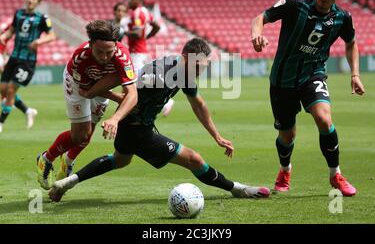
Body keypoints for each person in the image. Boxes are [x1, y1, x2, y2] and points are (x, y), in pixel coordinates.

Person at [48, 38, 270, 202]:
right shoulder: (157, 75)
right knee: (194, 159)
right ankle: (239, 189)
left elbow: (198, 104)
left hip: (136, 125)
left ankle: (66, 183)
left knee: (120, 160)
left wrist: (217, 136)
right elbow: (125, 89)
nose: (203, 69)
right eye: (200, 65)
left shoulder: (184, 71)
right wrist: (105, 104)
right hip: (137, 128)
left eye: (204, 65)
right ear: (186, 58)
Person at [250, 0, 365, 196]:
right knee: (287, 135)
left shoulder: (342, 18)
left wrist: (355, 74)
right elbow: (260, 17)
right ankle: (285, 169)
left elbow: (351, 42)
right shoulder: (295, 4)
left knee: (324, 119)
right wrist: (256, 35)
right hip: (282, 80)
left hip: (313, 75)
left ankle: (336, 174)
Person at [37, 20, 138, 190]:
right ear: (91, 45)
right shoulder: (80, 57)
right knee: (80, 135)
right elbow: (87, 92)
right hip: (78, 86)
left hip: (100, 84)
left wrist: (115, 118)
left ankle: (68, 161)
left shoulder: (122, 55)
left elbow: (132, 93)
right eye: (100, 52)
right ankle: (46, 158)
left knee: (87, 133)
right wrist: (116, 97)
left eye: (109, 52)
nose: (105, 57)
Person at [0, 0, 56, 133]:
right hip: (14, 57)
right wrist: (3, 37)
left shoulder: (42, 18)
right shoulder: (18, 14)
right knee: (3, 90)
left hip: (27, 61)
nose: (30, 0)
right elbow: (11, 31)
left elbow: (52, 35)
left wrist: (39, 41)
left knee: (11, 90)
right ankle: (28, 111)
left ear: (38, 1)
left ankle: (0, 123)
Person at [122, 0, 174, 116]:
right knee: (140, 79)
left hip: (137, 52)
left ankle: (166, 102)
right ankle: (163, 101)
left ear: (138, 1)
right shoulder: (145, 11)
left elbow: (138, 33)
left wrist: (123, 32)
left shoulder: (137, 13)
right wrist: (146, 37)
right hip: (140, 50)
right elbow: (156, 26)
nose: (128, 1)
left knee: (134, 80)